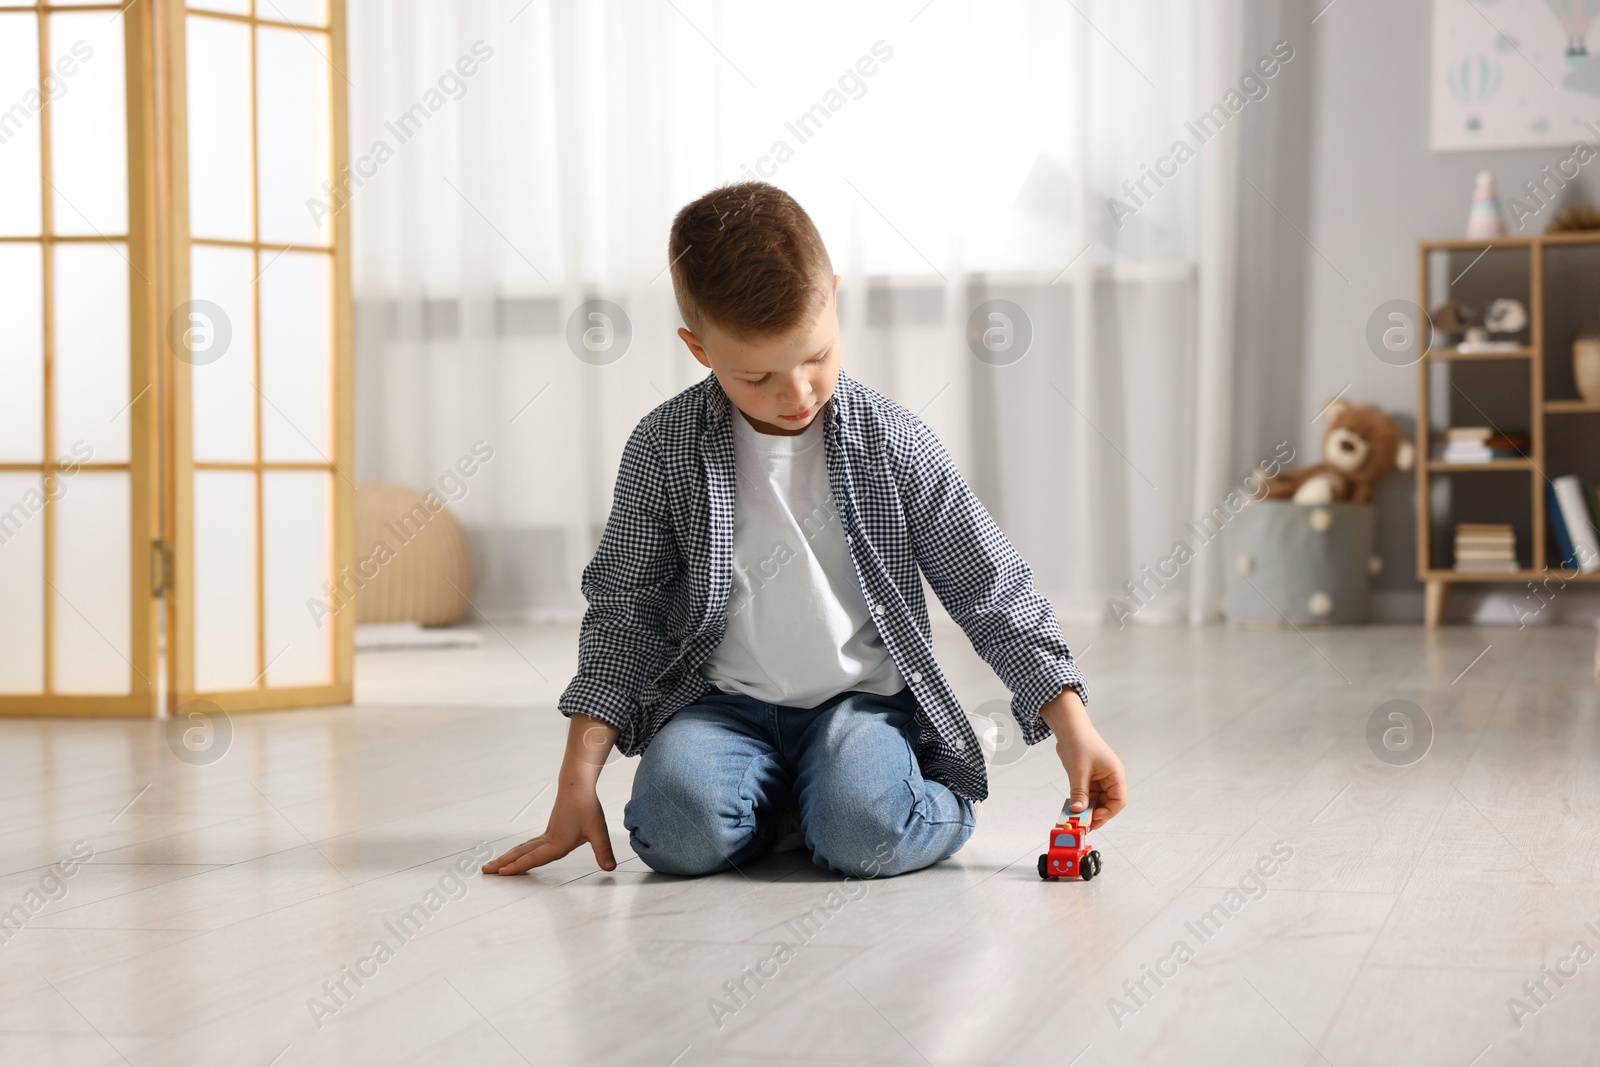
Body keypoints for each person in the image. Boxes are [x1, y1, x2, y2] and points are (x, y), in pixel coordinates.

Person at [484, 181, 1125, 880]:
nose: (795, 395)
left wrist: (1072, 724)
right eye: (756, 375)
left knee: (867, 834)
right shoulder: (663, 448)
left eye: (816, 356)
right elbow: (624, 613)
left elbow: (989, 584)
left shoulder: (894, 442)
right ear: (698, 349)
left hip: (861, 705)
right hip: (721, 706)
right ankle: (798, 805)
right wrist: (577, 778)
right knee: (671, 834)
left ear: (835, 299)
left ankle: (880, 798)